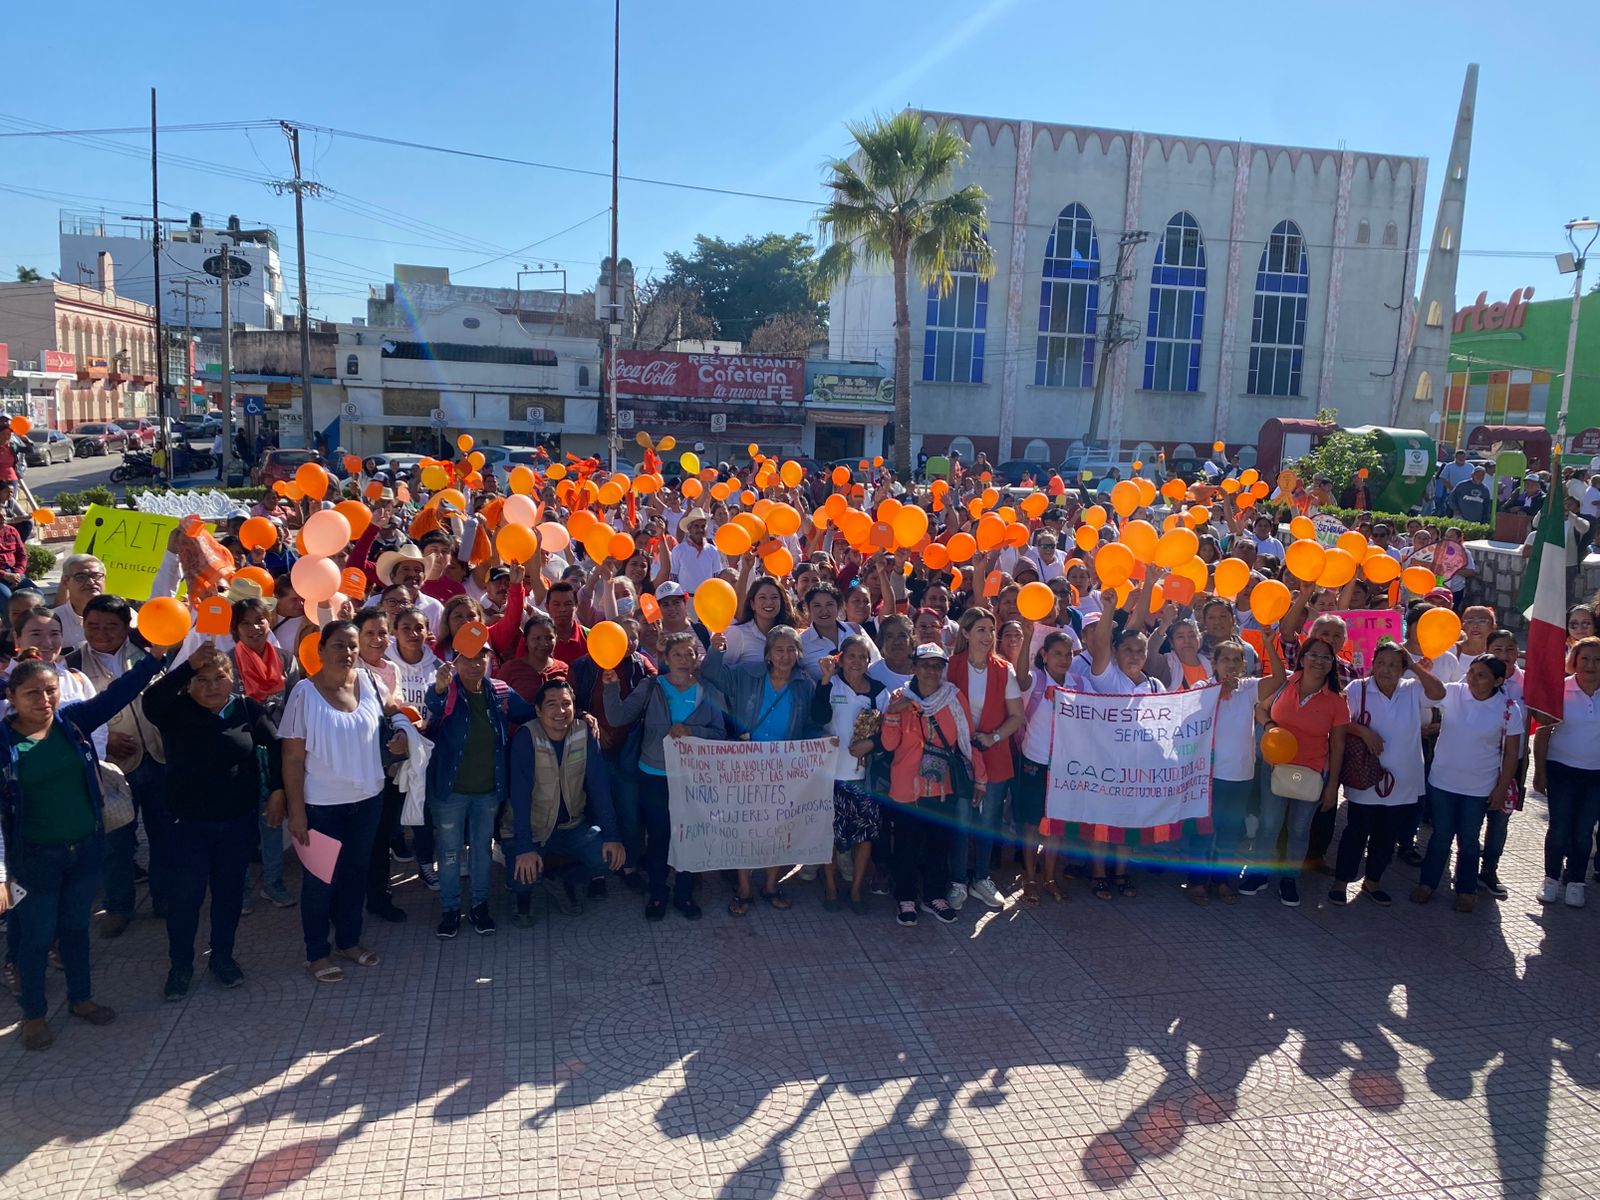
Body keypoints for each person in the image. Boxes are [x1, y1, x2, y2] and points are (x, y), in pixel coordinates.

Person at [1, 643, 167, 1051]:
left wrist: (154, 659)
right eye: (32, 694)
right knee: (36, 938)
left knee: (76, 929)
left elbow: (116, 696)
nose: (44, 700)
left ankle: (81, 999)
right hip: (35, 859)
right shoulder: (4, 744)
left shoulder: (71, 722)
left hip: (85, 849)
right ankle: (34, 1014)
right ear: (11, 698)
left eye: (51, 690)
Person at [141, 645, 283, 1000]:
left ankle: (222, 957)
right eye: (201, 679)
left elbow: (279, 745)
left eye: (220, 677)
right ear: (189, 683)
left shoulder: (246, 709)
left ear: (233, 678)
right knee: (185, 898)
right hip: (187, 825)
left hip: (237, 823)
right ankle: (181, 965)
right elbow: (151, 699)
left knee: (229, 895)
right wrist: (188, 665)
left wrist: (279, 789)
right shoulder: (174, 710)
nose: (211, 686)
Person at [278, 621, 406, 983]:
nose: (347, 652)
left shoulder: (370, 683)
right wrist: (297, 811)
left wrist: (401, 734)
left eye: (352, 645)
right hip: (321, 806)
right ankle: (316, 953)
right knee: (320, 882)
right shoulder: (304, 692)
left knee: (354, 876)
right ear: (320, 650)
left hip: (368, 801)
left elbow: (394, 713)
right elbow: (291, 758)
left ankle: (349, 941)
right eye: (337, 645)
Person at [603, 630, 727, 920]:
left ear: (698, 658)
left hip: (692, 778)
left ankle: (684, 894)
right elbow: (618, 717)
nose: (684, 660)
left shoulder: (708, 691)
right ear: (666, 659)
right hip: (654, 775)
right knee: (659, 836)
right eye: (677, 654)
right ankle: (658, 893)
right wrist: (610, 688)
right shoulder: (650, 686)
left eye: (690, 654)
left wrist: (693, 732)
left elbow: (720, 733)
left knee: (688, 836)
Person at [701, 625, 817, 914]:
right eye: (779, 649)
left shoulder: (806, 685)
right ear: (767, 654)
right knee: (745, 828)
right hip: (747, 766)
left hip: (784, 769)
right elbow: (711, 674)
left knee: (779, 829)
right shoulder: (745, 675)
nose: (786, 655)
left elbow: (811, 724)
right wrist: (716, 649)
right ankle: (743, 888)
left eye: (792, 649)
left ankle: (770, 885)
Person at [423, 645, 535, 938]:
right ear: (455, 661)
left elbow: (532, 714)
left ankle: (479, 907)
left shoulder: (499, 691)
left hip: (487, 792)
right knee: (449, 853)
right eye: (467, 658)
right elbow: (432, 706)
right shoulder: (445, 689)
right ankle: (449, 911)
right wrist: (439, 687)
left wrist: (578, 716)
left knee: (482, 852)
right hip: (450, 792)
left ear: (489, 659)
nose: (475, 664)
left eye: (481, 657)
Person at [877, 642, 984, 926]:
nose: (931, 671)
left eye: (937, 665)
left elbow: (967, 739)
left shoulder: (952, 697)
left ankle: (934, 896)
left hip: (941, 786)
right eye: (925, 664)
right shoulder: (900, 697)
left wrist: (980, 778)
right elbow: (889, 744)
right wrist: (892, 712)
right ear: (914, 667)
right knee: (906, 846)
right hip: (906, 787)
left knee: (939, 844)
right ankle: (905, 898)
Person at [1329, 645, 1444, 907]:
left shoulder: (1412, 688)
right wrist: (1363, 732)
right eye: (1381, 663)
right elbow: (1340, 720)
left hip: (1403, 778)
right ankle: (1341, 881)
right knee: (1356, 830)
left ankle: (1373, 882)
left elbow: (1439, 693)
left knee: (1387, 834)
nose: (1386, 669)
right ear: (1373, 664)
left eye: (1394, 664)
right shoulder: (1358, 688)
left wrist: (1414, 667)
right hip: (1365, 775)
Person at [1241, 636, 1348, 908]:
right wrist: (1268, 727)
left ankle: (1289, 878)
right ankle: (1259, 873)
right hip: (1274, 768)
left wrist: (1332, 785)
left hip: (1310, 772)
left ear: (1331, 663)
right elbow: (1260, 709)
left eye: (1326, 657)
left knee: (1299, 829)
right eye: (1313, 655)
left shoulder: (1336, 701)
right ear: (1302, 658)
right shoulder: (1285, 683)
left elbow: (1337, 744)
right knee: (1269, 824)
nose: (1319, 661)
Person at [507, 678, 625, 922]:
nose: (560, 711)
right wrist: (524, 847)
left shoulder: (583, 732)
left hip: (571, 826)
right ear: (538, 710)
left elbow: (598, 787)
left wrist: (612, 835)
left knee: (608, 859)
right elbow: (519, 797)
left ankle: (561, 876)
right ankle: (524, 898)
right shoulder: (526, 737)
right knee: (521, 876)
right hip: (533, 827)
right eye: (551, 704)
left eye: (566, 703)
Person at [1412, 653, 1522, 913]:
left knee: (1469, 839)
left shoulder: (1508, 708)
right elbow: (1430, 691)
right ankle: (1428, 884)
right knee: (1441, 835)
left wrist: (1501, 788)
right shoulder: (1453, 692)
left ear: (1497, 681)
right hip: (1443, 781)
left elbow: (1511, 755)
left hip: (1479, 786)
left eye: (1481, 675)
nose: (1473, 679)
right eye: (1472, 672)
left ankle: (1466, 889)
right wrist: (1418, 668)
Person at [946, 607, 1023, 910]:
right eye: (980, 629)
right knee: (962, 820)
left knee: (988, 820)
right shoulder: (950, 666)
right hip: (960, 758)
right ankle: (956, 880)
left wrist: (993, 737)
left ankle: (981, 878)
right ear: (965, 633)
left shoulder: (1004, 669)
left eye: (991, 630)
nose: (988, 636)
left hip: (994, 755)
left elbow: (1016, 716)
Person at [810, 634, 885, 914]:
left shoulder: (879, 693)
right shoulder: (831, 683)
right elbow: (818, 717)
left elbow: (889, 734)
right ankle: (830, 886)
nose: (856, 661)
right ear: (840, 659)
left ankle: (855, 889)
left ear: (869, 661)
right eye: (850, 656)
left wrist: (872, 743)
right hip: (829, 775)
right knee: (827, 833)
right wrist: (826, 680)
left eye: (862, 657)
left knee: (864, 837)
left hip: (862, 777)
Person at [1532, 636, 1600, 908]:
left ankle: (1575, 881)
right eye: (1585, 659)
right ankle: (1550, 878)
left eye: (1597, 660)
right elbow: (1542, 734)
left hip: (1595, 775)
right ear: (1574, 661)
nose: (1591, 665)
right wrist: (1539, 772)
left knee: (1584, 831)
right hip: (1561, 770)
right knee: (1560, 828)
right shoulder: (1560, 691)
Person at [723, 576, 802, 667]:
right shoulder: (737, 633)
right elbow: (722, 672)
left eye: (774, 597)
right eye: (762, 597)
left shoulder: (789, 634)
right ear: (752, 604)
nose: (769, 602)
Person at [51, 554, 106, 649]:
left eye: (96, 576)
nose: (91, 582)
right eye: (81, 577)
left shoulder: (125, 615)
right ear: (65, 582)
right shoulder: (51, 622)